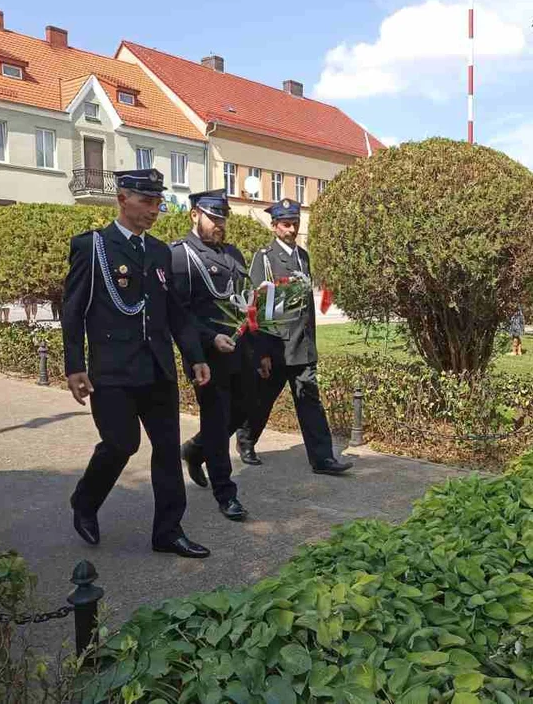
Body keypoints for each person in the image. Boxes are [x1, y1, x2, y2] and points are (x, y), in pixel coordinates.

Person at [61, 168, 212, 559]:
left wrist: (195, 356)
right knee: (121, 443)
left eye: (158, 203)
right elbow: (73, 310)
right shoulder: (93, 246)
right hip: (112, 371)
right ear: (122, 199)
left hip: (157, 369)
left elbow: (176, 313)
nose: (153, 210)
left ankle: (168, 530)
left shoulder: (161, 252)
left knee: (165, 450)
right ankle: (85, 500)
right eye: (146, 201)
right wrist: (74, 365)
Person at [235, 199, 352, 475]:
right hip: (276, 346)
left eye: (295, 223)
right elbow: (257, 306)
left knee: (310, 401)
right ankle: (246, 440)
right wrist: (260, 351)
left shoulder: (303, 256)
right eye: (286, 224)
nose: (292, 229)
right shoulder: (265, 258)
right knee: (262, 400)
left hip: (302, 345)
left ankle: (323, 459)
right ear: (275, 227)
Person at [171, 189, 255, 522]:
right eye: (214, 217)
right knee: (217, 420)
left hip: (240, 349)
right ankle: (226, 493)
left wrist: (258, 350)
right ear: (195, 215)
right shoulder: (180, 255)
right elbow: (178, 312)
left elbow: (245, 303)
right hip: (205, 354)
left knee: (247, 408)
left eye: (223, 217)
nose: (220, 224)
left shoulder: (233, 253)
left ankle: (195, 449)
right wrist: (209, 338)